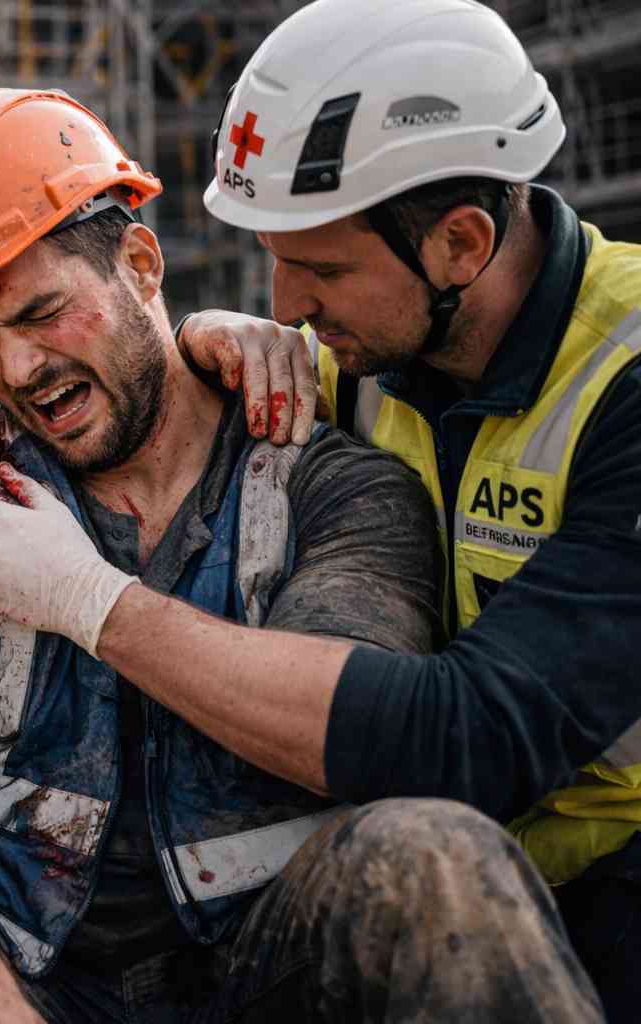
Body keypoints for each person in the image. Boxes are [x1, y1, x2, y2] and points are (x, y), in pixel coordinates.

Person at [0, 86, 607, 1022]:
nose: (16, 370)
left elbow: (359, 727)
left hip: (262, 973)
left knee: (435, 862)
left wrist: (88, 599)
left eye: (43, 313)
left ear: (139, 264)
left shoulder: (331, 480)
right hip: (20, 965)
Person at [161, 0, 641, 1014]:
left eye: (321, 267)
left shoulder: (626, 377)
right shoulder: (380, 352)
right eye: (271, 257)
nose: (285, 302)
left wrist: (98, 609)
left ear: (461, 244)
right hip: (474, 883)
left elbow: (468, 739)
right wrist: (203, 336)